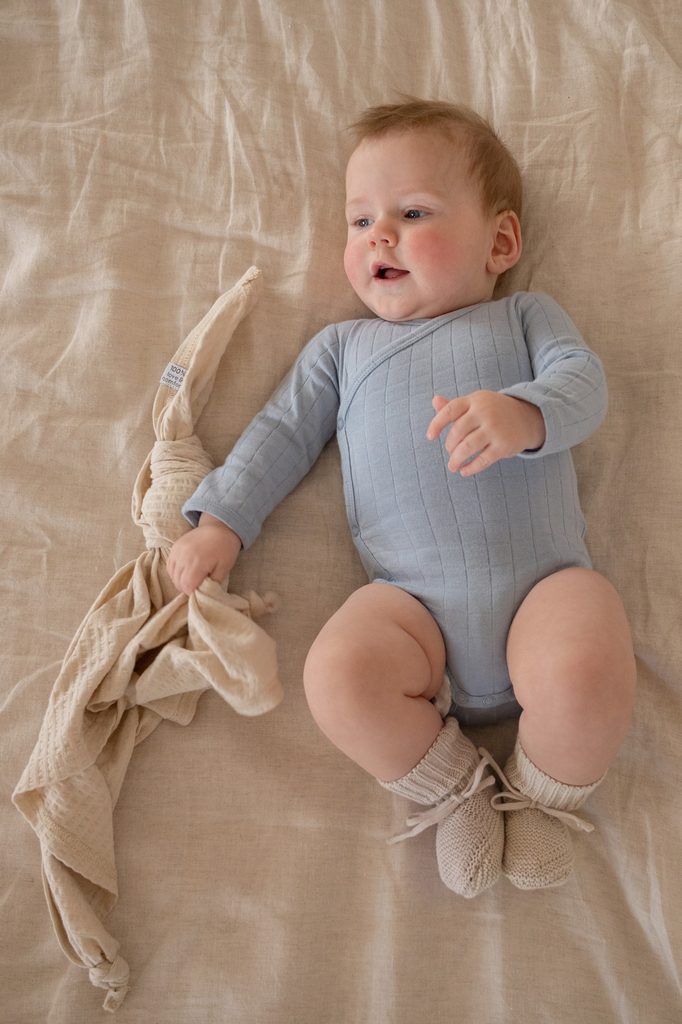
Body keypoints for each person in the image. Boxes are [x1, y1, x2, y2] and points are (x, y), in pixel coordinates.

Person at [167, 100, 636, 898]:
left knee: (590, 658)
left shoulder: (523, 316)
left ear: (500, 243)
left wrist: (524, 413)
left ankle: (543, 797)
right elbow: (280, 433)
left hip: (543, 590)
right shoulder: (343, 349)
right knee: (337, 676)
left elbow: (583, 384)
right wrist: (221, 523)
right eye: (360, 221)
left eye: (412, 213)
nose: (378, 235)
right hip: (409, 611)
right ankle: (456, 790)